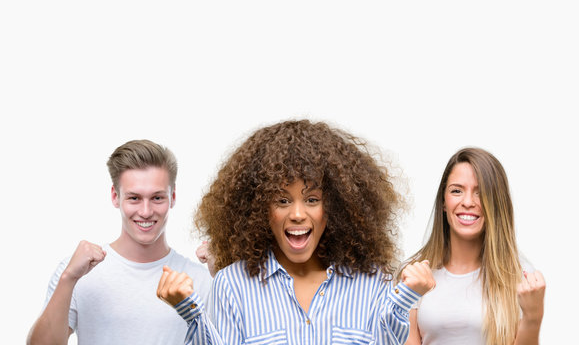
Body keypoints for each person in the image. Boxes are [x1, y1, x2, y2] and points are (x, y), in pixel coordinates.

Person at [157, 119, 435, 344]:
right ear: (260, 209)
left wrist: (407, 296)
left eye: (312, 199)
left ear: (335, 208)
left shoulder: (372, 281)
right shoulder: (233, 285)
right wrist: (189, 310)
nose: (298, 214)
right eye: (282, 200)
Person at [27, 139, 212, 345]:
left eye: (157, 198)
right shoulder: (78, 273)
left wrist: (223, 274)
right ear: (115, 197)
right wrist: (69, 278)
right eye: (134, 198)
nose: (145, 211)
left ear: (173, 196)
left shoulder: (202, 280)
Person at [403, 147, 546, 345]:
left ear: (496, 204)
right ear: (444, 202)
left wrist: (533, 318)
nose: (468, 202)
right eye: (456, 191)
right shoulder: (413, 274)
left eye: (481, 193)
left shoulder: (521, 276)